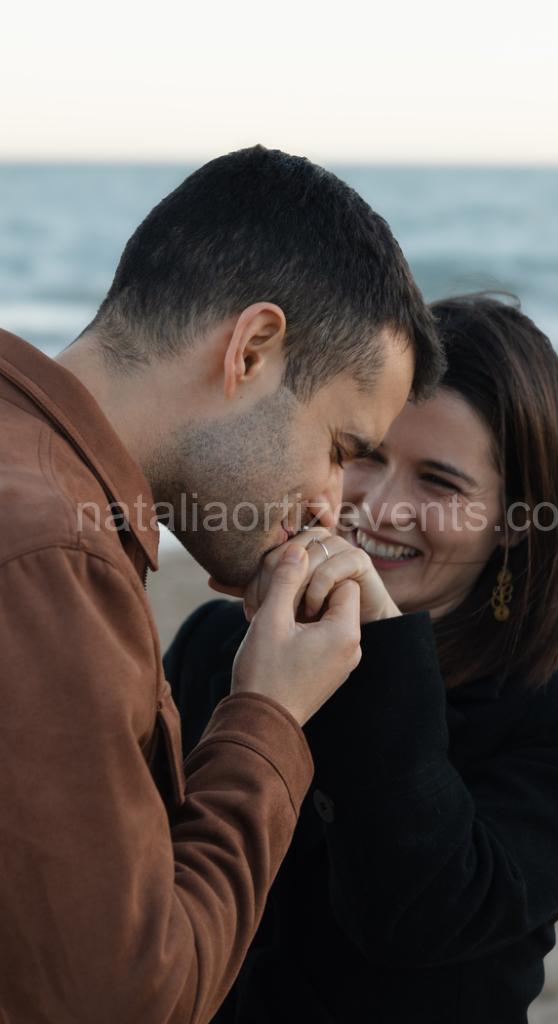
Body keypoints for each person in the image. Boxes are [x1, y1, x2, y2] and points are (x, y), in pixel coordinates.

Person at [0, 146, 444, 1023]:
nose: (330, 502)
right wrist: (267, 715)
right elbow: (122, 1003)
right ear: (252, 349)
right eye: (339, 448)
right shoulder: (54, 551)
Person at [166, 294, 558, 1023]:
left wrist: (382, 652)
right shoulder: (217, 640)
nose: (378, 505)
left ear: (516, 524)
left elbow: (414, 917)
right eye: (364, 455)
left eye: (439, 481)